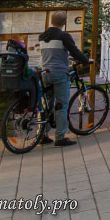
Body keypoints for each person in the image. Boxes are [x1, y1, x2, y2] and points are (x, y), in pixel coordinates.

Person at [38, 10, 90, 147]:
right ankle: (60, 137)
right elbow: (75, 52)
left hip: (45, 73)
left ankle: (42, 135)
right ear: (64, 22)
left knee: (47, 104)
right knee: (61, 104)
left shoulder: (42, 36)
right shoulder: (63, 36)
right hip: (59, 73)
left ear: (51, 21)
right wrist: (86, 60)